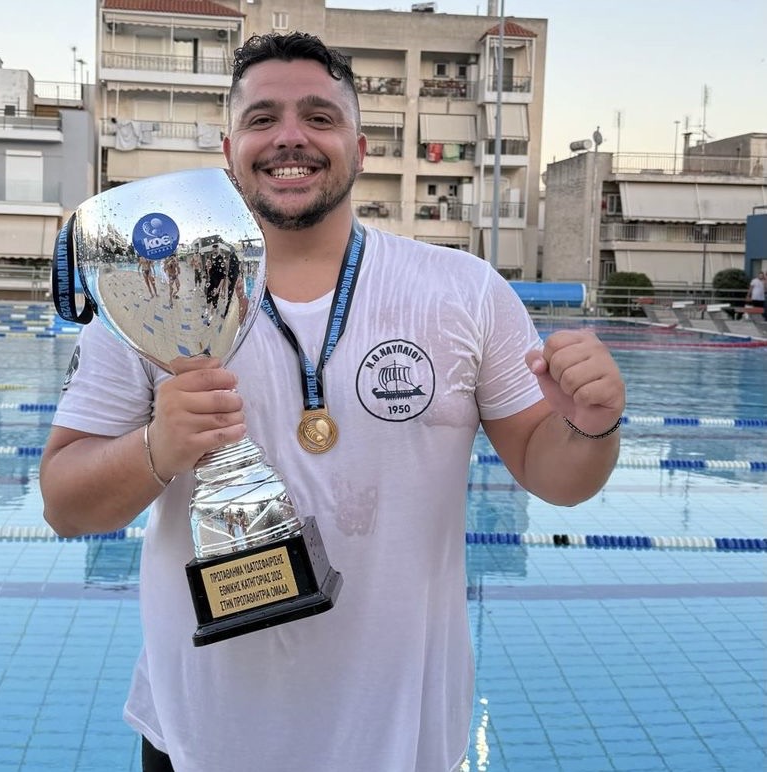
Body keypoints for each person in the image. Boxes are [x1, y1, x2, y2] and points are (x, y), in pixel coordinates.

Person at [40, 32, 625, 772]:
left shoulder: (464, 292)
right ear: (229, 150)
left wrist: (591, 424)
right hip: (202, 738)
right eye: (263, 119)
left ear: (361, 147)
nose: (291, 137)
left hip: (403, 740)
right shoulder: (150, 295)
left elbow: (556, 477)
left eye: (320, 117)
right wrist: (157, 448)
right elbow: (64, 504)